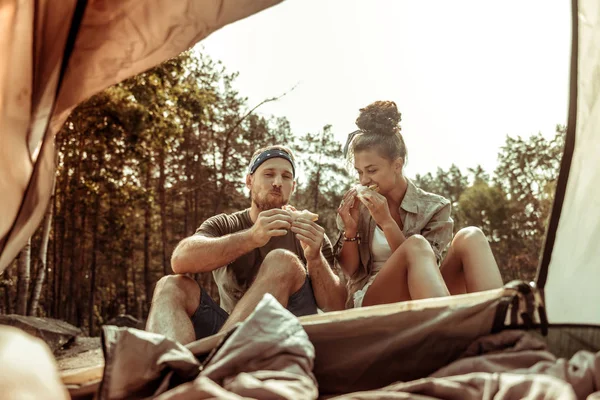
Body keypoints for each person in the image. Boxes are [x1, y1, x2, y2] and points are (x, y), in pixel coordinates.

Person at [146, 145, 346, 344]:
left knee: (283, 260)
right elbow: (180, 260)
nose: (277, 182)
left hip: (291, 333)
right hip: (230, 329)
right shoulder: (226, 224)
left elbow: (336, 307)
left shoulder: (309, 233)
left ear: (292, 187)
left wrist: (315, 258)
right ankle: (172, 369)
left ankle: (216, 356)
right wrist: (251, 237)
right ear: (249, 181)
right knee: (170, 285)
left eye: (286, 177)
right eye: (268, 174)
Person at [336, 100, 503, 309]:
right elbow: (351, 271)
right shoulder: (357, 207)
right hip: (375, 296)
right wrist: (350, 230)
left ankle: (500, 317)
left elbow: (427, 267)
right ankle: (445, 326)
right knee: (415, 244)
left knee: (471, 236)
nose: (363, 181)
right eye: (359, 172)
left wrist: (387, 222)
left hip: (427, 293)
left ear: (397, 165)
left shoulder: (434, 208)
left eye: (372, 171)